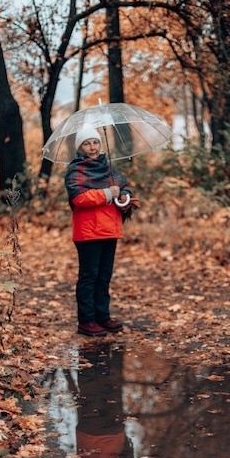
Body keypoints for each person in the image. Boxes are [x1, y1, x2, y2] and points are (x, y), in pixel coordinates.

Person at [65, 123, 139, 337]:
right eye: (87, 143)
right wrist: (107, 192)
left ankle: (102, 317)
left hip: (110, 229)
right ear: (80, 148)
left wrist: (123, 195)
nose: (93, 147)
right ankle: (86, 321)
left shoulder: (110, 169)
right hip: (88, 232)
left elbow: (122, 188)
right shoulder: (75, 170)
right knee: (89, 276)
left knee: (104, 276)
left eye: (95, 142)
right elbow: (79, 199)